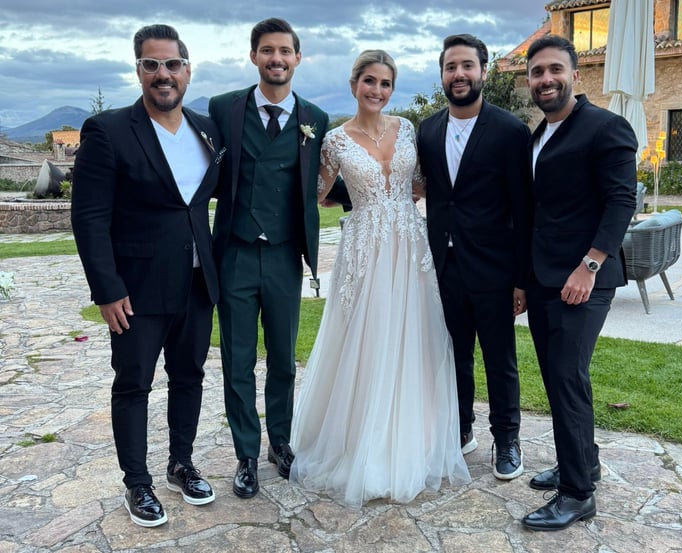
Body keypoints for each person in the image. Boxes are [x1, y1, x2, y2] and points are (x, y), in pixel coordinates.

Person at [289, 49, 470, 507]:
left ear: (392, 89)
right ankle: (358, 444)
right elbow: (315, 193)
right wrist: (360, 205)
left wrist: (398, 202)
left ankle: (415, 439)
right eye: (369, 81)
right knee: (366, 338)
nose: (377, 90)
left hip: (410, 246)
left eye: (385, 83)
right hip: (366, 250)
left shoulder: (406, 128)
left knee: (415, 336)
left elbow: (422, 183)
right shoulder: (333, 140)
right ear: (354, 85)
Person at [71, 24, 220, 528]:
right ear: (138, 70)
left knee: (190, 377)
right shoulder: (108, 130)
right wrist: (107, 289)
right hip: (136, 290)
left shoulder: (206, 129)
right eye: (151, 65)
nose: (163, 74)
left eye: (172, 64)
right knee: (133, 384)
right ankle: (137, 482)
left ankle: (181, 463)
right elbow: (89, 217)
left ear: (187, 69)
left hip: (198, 282)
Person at [208, 17, 347, 498]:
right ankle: (246, 454)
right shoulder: (224, 108)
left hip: (287, 255)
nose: (277, 59)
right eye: (267, 51)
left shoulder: (315, 118)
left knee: (284, 359)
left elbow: (325, 180)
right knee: (238, 360)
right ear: (254, 57)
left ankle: (280, 443)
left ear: (298, 58)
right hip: (236, 254)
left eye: (285, 51)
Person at [521, 35, 637, 531]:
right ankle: (581, 462)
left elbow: (621, 202)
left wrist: (588, 266)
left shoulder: (605, 127)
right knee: (558, 377)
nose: (546, 80)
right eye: (537, 73)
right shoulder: (539, 134)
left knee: (567, 378)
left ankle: (577, 494)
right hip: (545, 277)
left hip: (583, 280)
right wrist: (523, 280)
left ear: (575, 74)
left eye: (554, 70)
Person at [417, 34, 532, 480]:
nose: (459, 74)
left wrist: (521, 279)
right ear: (442, 74)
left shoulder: (509, 131)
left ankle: (507, 439)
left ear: (483, 71)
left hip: (495, 271)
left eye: (467, 66)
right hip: (443, 269)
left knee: (500, 359)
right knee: (454, 356)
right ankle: (460, 429)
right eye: (451, 67)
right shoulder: (427, 130)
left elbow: (525, 213)